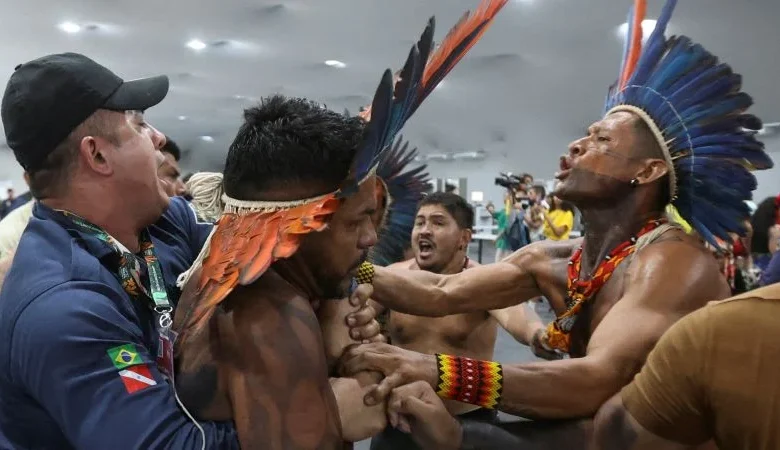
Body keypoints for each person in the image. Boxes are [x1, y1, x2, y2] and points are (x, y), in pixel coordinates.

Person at [341, 0, 771, 442]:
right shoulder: (556, 259)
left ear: (646, 172)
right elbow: (442, 290)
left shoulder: (672, 264)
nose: (574, 147)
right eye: (584, 135)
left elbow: (596, 381)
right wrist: (349, 264)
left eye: (601, 139)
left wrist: (434, 370)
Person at [172, 3, 508, 447]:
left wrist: (344, 357)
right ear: (294, 224)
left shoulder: (240, 272)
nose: (372, 237)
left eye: (374, 217)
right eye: (356, 222)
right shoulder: (269, 315)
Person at [0, 52, 239, 448]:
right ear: (97, 154)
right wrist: (311, 419)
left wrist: (353, 291)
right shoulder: (63, 307)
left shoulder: (163, 222)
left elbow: (269, 259)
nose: (159, 137)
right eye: (139, 123)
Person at [369, 192, 549, 450]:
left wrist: (537, 333)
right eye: (419, 222)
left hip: (466, 425)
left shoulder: (482, 283)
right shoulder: (394, 278)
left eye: (438, 223)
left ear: (464, 238)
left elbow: (514, 314)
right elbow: (352, 316)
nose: (424, 231)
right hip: (400, 421)